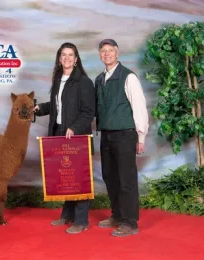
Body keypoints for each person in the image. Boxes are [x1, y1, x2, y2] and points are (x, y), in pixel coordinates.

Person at [34, 42, 95, 234]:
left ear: (76, 60)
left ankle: (81, 220)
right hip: (59, 132)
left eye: (71, 55)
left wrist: (74, 127)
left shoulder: (84, 82)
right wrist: (40, 109)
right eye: (63, 55)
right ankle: (67, 214)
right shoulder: (59, 79)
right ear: (59, 59)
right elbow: (57, 106)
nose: (67, 58)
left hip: (77, 136)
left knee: (80, 178)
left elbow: (89, 111)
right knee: (66, 176)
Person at [94, 39, 149, 237]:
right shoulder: (100, 79)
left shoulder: (128, 77)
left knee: (126, 179)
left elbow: (139, 107)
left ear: (117, 53)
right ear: (100, 55)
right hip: (106, 135)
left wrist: (141, 136)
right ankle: (117, 215)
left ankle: (130, 222)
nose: (107, 54)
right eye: (103, 51)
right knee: (110, 177)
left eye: (110, 50)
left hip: (125, 134)